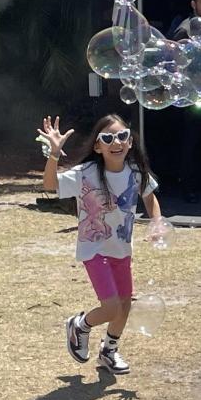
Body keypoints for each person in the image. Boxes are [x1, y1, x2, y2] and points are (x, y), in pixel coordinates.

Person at [38, 113, 162, 375]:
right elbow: (50, 185)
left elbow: (149, 196)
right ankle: (79, 325)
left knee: (125, 303)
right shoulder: (86, 174)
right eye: (108, 138)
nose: (116, 142)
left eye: (122, 136)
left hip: (121, 249)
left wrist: (157, 222)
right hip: (94, 249)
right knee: (111, 307)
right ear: (97, 146)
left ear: (130, 141)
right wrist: (55, 154)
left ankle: (109, 351)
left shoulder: (135, 171)